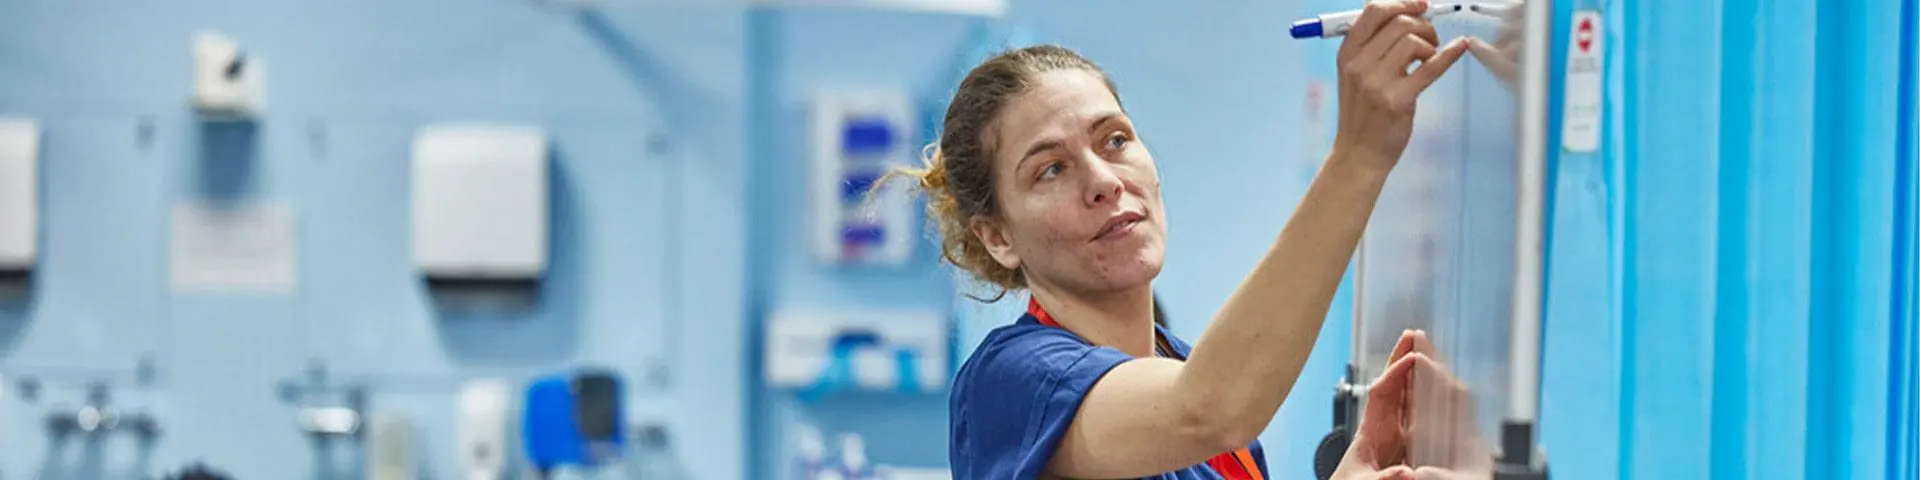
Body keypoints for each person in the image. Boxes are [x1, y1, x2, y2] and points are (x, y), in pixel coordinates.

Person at [887, 1, 1474, 478]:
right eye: (1051, 169)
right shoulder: (1012, 382)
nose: (1103, 181)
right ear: (997, 239)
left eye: (1114, 139)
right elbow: (1210, 408)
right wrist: (1361, 154)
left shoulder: (1183, 364)